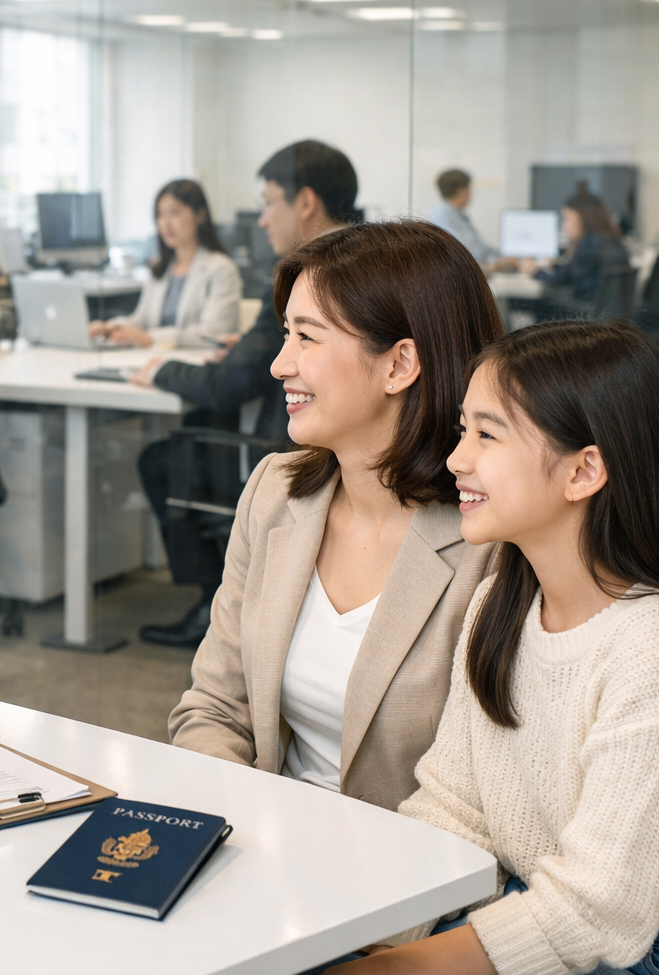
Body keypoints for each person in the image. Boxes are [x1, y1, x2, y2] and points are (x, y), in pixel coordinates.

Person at [327, 319, 659, 975]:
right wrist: (384, 933)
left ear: (584, 470)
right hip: (540, 903)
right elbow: (454, 809)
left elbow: (598, 908)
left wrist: (398, 968)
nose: (457, 459)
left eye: (487, 434)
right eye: (462, 430)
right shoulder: (498, 610)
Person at [168, 220, 506, 811]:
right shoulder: (275, 494)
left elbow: (491, 793)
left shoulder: (494, 540)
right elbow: (214, 708)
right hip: (267, 845)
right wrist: (241, 811)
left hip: (412, 875)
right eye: (284, 334)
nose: (279, 365)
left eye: (307, 338)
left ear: (399, 366)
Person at [130, 141, 358, 647]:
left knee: (163, 457)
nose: (260, 219)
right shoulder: (364, 263)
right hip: (344, 459)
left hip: (295, 460)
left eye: (267, 201)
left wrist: (161, 369)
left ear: (304, 202)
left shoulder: (306, 272)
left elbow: (228, 385)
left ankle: (215, 604)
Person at [88, 179, 240, 348]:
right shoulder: (160, 267)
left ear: (200, 214)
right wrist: (110, 327)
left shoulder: (221, 269)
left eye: (174, 213)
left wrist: (149, 338)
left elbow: (213, 334)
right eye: (160, 215)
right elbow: (141, 320)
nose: (165, 223)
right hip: (154, 360)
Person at [524, 186, 633, 318]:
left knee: (539, 303)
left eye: (568, 219)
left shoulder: (588, 245)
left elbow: (560, 280)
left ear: (585, 219)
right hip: (608, 318)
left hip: (584, 317)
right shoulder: (611, 241)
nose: (565, 225)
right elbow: (574, 273)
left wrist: (534, 272)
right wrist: (554, 265)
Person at [428, 169, 500, 267]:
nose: (471, 194)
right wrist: (492, 265)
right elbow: (461, 256)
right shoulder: (441, 218)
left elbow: (481, 249)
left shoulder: (459, 216)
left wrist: (499, 258)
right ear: (462, 191)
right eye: (469, 189)